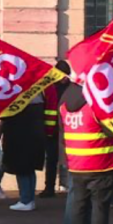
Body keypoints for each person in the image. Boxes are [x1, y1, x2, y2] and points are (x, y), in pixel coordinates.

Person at [59, 80, 113, 224]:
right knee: (99, 208)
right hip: (99, 162)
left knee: (78, 206)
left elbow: (62, 133)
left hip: (76, 163)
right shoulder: (97, 103)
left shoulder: (64, 103)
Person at [0, 95, 46, 211]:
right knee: (29, 169)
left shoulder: (17, 98)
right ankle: (29, 199)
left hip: (19, 136)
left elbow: (6, 117)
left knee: (22, 168)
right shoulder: (38, 97)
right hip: (34, 135)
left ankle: (25, 200)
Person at [40, 60, 71, 198]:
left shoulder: (69, 88)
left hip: (66, 129)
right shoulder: (50, 87)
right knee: (51, 159)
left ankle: (70, 188)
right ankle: (49, 187)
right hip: (52, 130)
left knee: (70, 160)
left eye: (67, 75)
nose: (65, 77)